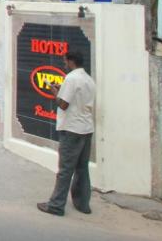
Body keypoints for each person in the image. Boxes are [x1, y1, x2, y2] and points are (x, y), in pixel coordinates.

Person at [37, 50, 96, 217]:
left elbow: (63, 105)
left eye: (65, 61)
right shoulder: (89, 80)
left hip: (72, 128)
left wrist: (55, 92)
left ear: (71, 61)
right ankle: (83, 204)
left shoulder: (71, 78)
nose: (64, 64)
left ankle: (56, 205)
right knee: (82, 168)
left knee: (65, 169)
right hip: (86, 128)